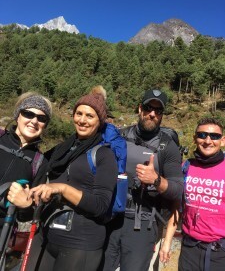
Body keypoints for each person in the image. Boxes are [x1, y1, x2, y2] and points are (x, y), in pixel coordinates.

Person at [20, 92, 118, 271]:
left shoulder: (105, 155)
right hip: (46, 235)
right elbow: (37, 168)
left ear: (100, 121)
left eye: (90, 115)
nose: (82, 120)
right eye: (79, 113)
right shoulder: (61, 150)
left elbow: (101, 205)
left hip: (81, 243)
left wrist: (63, 189)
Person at [100, 88, 183, 271]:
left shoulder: (167, 148)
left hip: (143, 224)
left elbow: (178, 189)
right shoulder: (120, 136)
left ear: (162, 115)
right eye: (148, 108)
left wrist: (156, 179)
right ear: (140, 109)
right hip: (110, 218)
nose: (152, 114)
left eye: (158, 111)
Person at [0, 91, 52, 268]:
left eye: (41, 118)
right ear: (17, 115)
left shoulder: (40, 162)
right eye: (28, 114)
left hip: (3, 234)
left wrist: (25, 206)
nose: (34, 121)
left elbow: (29, 217)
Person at [177, 117, 225, 271]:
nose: (208, 141)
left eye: (215, 136)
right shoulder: (186, 166)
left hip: (220, 252)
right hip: (189, 249)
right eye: (202, 135)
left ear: (222, 140)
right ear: (194, 138)